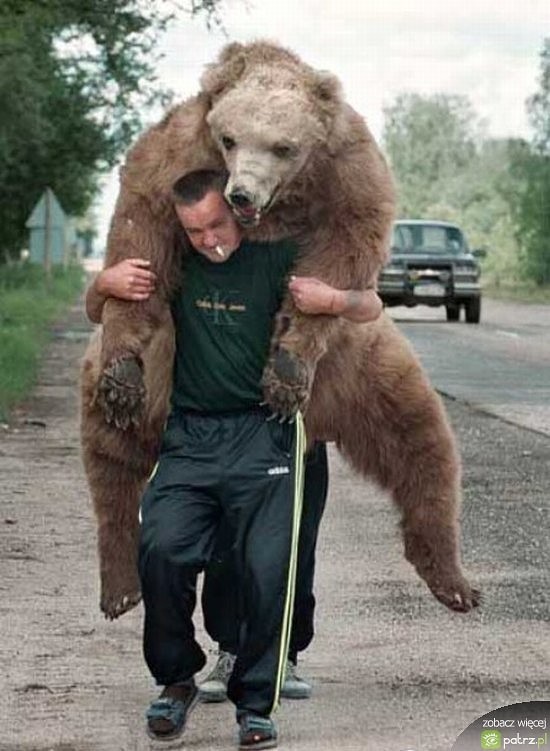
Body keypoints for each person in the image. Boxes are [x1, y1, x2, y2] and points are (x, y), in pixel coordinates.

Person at [86, 169, 382, 749]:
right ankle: (176, 680)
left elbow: (370, 304)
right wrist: (103, 284)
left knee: (268, 570)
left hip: (266, 433)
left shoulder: (279, 256)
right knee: (161, 549)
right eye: (194, 231)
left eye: (216, 225)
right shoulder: (177, 261)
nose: (209, 240)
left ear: (239, 212)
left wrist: (332, 299)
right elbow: (101, 313)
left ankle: (255, 704)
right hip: (190, 436)